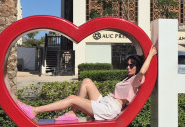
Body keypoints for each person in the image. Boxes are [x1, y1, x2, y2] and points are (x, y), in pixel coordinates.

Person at [18, 46, 157, 121]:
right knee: (86, 81)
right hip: (106, 102)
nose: (128, 67)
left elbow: (142, 72)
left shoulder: (136, 80)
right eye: (127, 64)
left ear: (137, 66)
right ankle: (72, 113)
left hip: (110, 108)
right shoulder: (127, 79)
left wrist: (150, 55)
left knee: (73, 98)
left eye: (132, 65)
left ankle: (34, 110)